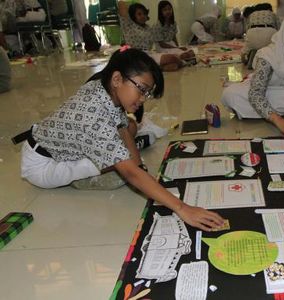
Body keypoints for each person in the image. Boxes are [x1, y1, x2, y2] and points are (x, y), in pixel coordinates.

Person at [19, 48, 225, 230]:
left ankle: (123, 152)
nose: (143, 98)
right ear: (117, 79)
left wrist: (137, 163)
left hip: (57, 148)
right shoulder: (94, 115)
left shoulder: (106, 87)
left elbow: (128, 141)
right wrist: (182, 208)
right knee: (121, 173)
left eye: (147, 93)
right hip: (44, 166)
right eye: (142, 89)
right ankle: (79, 178)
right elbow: (132, 172)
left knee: (131, 128)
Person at [221, 9, 284, 137]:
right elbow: (255, 93)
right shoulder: (268, 55)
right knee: (230, 94)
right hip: (265, 92)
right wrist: (278, 121)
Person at [117, 1, 187, 72]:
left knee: (174, 65)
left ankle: (155, 69)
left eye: (144, 13)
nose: (143, 16)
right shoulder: (129, 26)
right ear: (132, 16)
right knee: (173, 58)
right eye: (139, 14)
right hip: (137, 56)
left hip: (149, 54)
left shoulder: (148, 28)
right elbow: (121, 3)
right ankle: (151, 68)